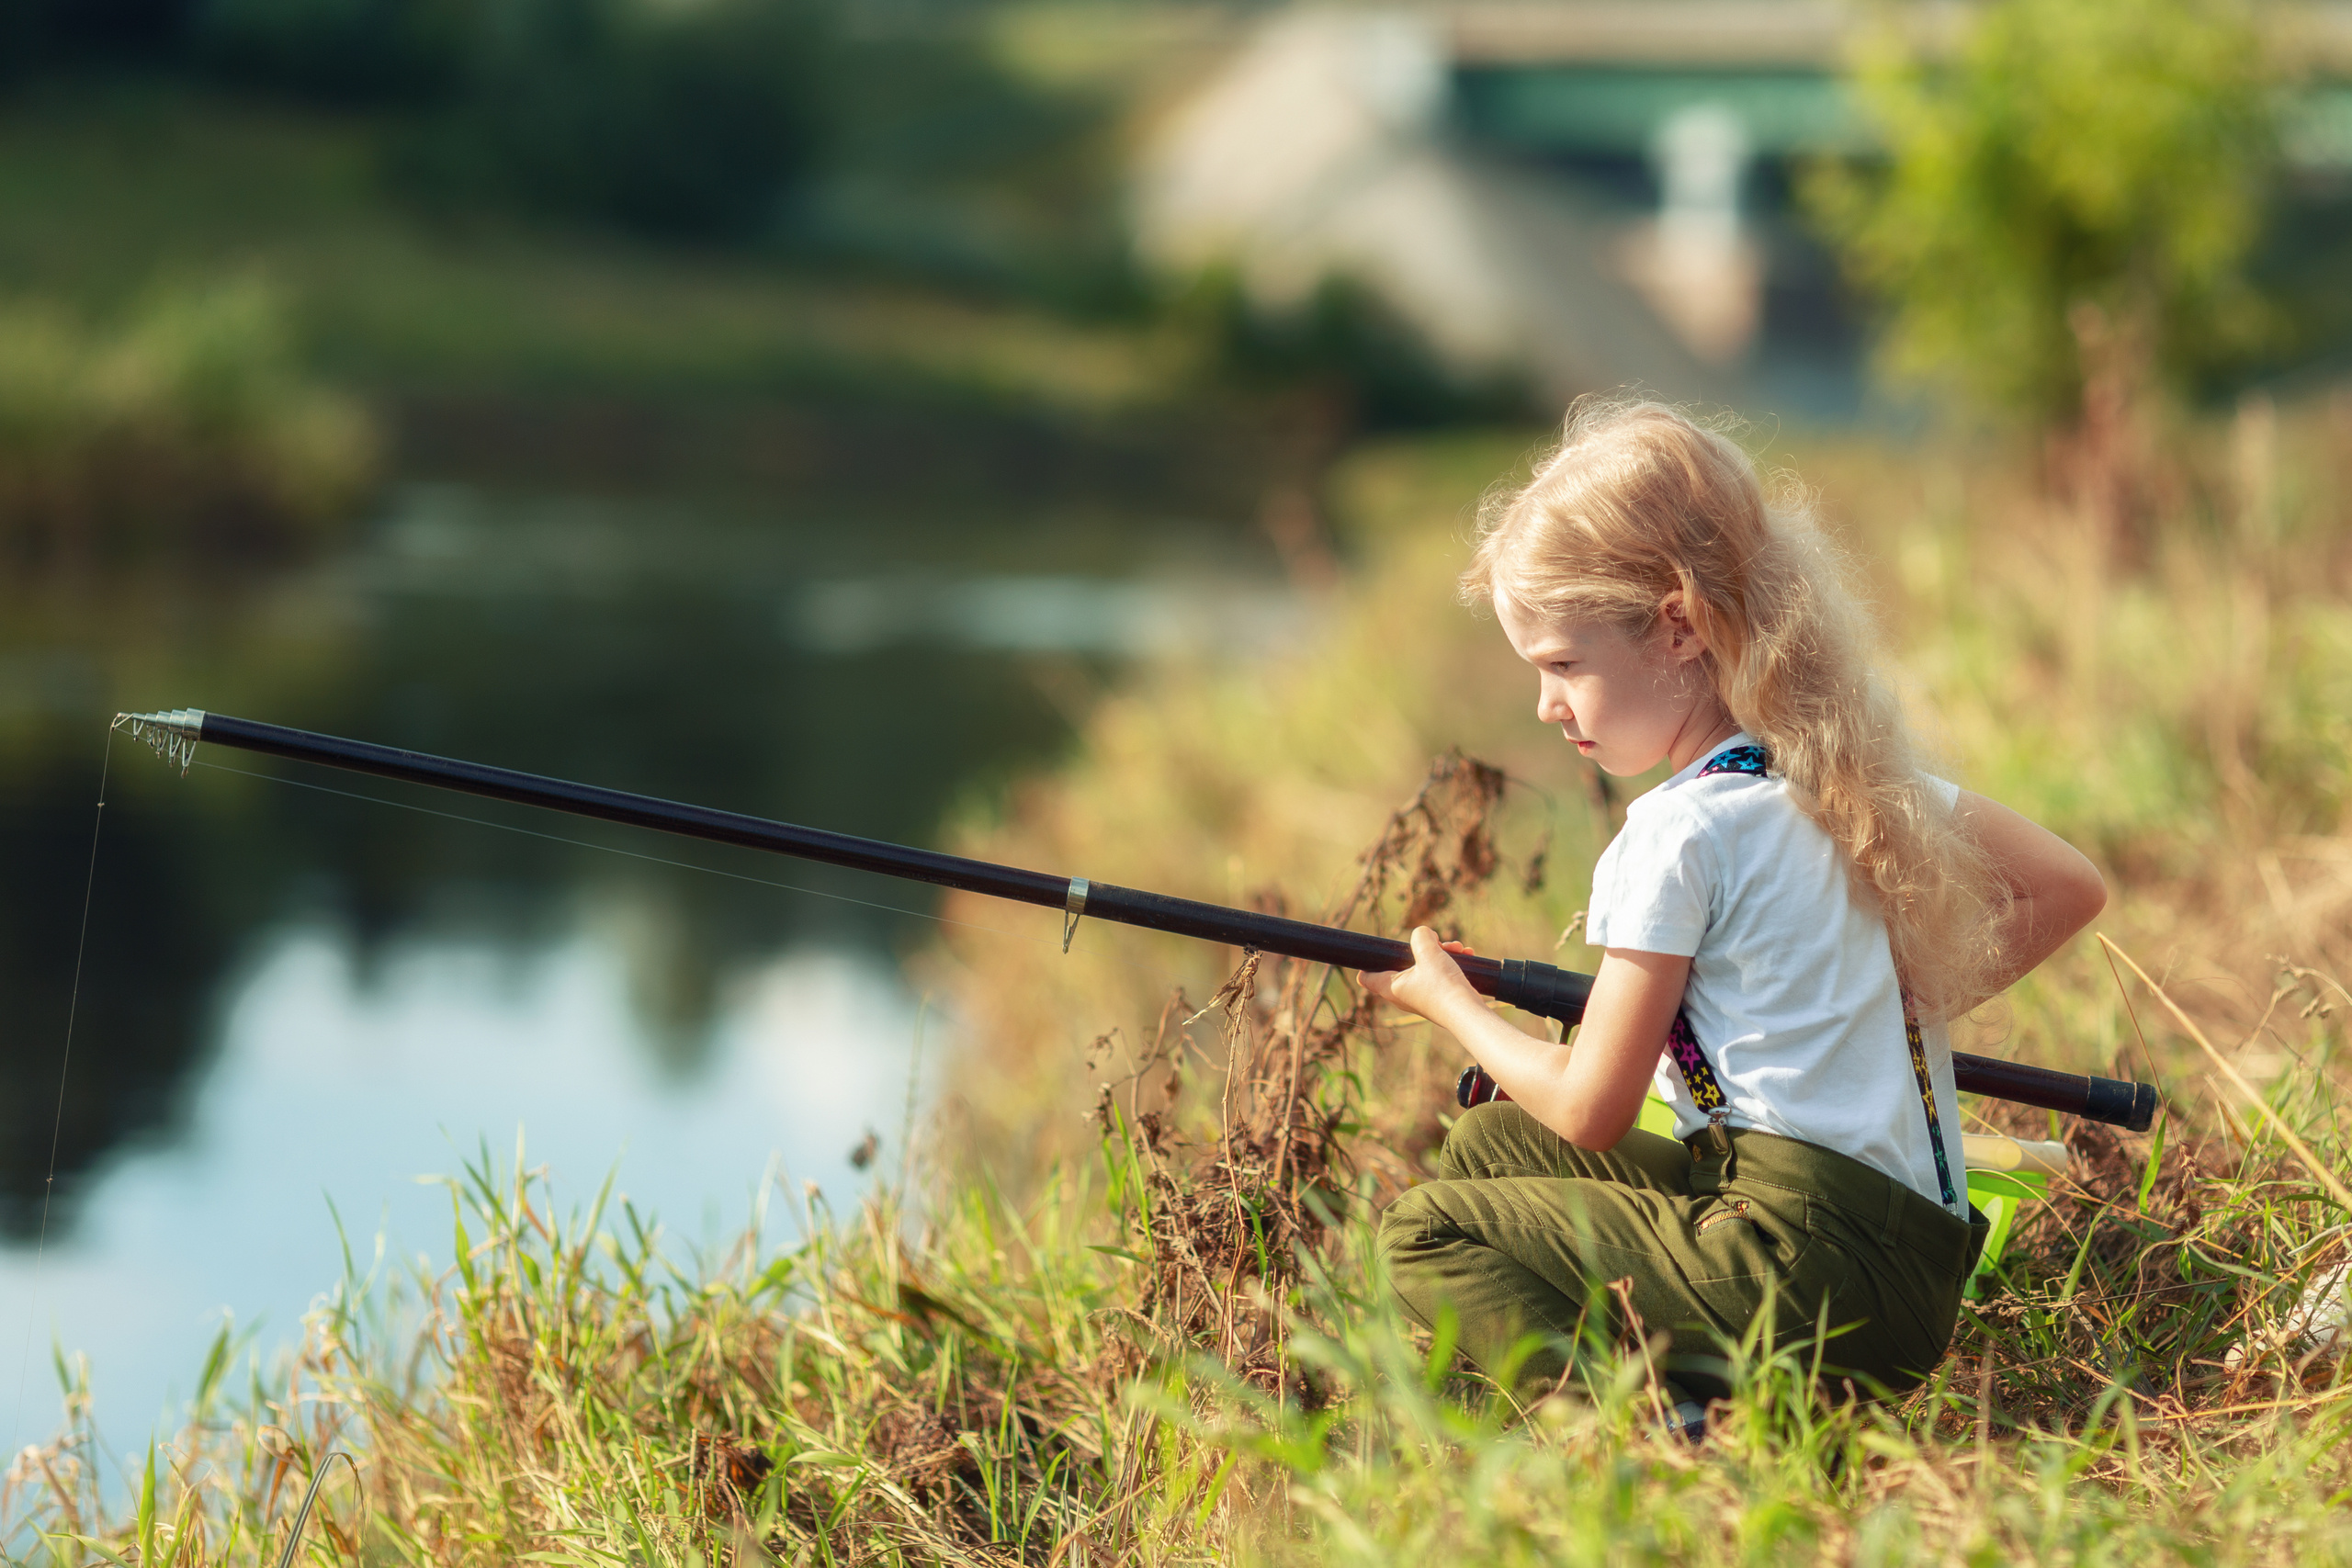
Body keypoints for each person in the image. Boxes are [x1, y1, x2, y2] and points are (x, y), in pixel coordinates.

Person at [1358, 400, 2106, 1418]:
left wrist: (1448, 1003)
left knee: (1423, 1231)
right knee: (1491, 1149)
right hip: (1913, 1270)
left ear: (1675, 627)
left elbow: (1591, 1108)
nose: (1546, 706)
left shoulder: (1674, 834)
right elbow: (2069, 886)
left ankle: (1651, 1435)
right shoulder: (1842, 775)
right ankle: (1707, 1391)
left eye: (1562, 666)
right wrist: (1910, 991)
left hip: (1803, 1272)